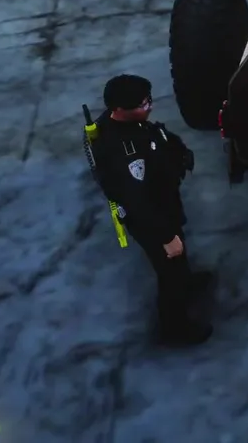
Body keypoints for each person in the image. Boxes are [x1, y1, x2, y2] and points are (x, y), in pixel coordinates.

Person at [93, 74, 213, 346]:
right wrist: (166, 237)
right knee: (169, 271)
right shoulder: (123, 152)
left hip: (164, 205)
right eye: (142, 104)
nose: (149, 106)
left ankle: (187, 282)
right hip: (153, 219)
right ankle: (175, 327)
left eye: (148, 100)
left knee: (179, 253)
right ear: (119, 109)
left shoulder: (128, 123)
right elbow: (138, 203)